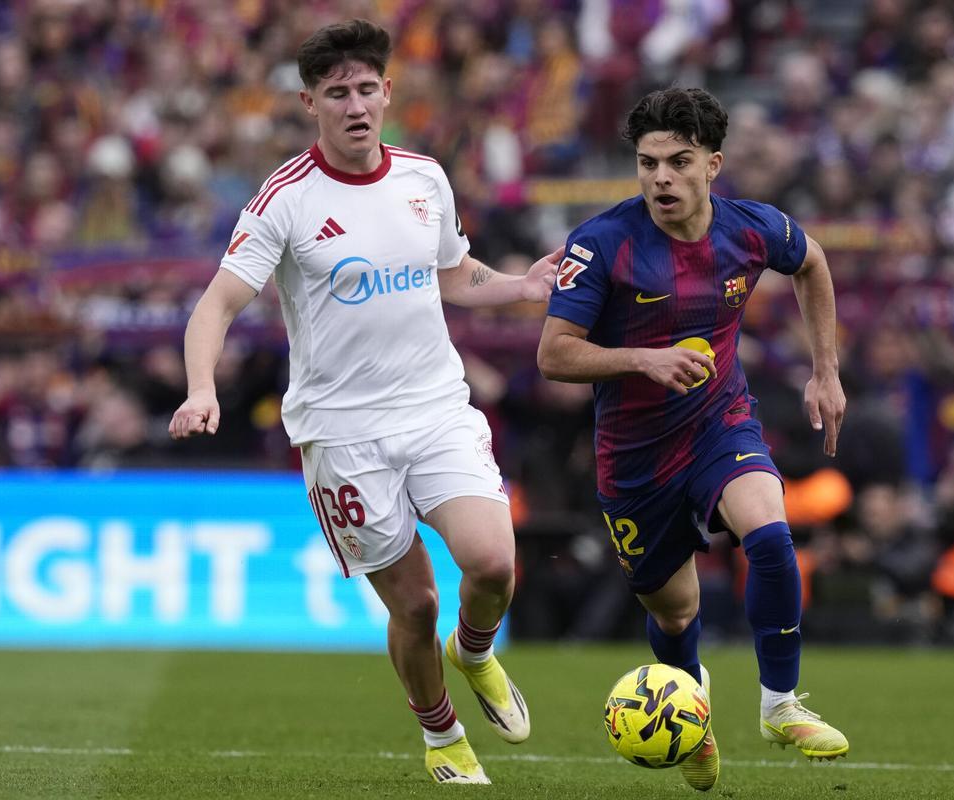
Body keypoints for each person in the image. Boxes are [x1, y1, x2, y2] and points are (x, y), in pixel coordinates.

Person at [168, 19, 559, 786]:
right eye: (337, 92)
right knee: (412, 604)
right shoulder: (284, 200)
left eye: (367, 88)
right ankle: (442, 734)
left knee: (492, 562)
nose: (355, 105)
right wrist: (202, 388)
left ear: (388, 92)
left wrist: (519, 286)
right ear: (310, 102)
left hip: (435, 407)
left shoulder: (424, 178)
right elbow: (215, 306)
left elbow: (450, 269)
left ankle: (473, 653)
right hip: (342, 433)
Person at [537, 87, 849, 791]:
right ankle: (691, 708)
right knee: (677, 612)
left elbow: (814, 263)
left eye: (678, 162)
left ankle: (780, 705)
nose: (661, 179)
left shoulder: (751, 229)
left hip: (719, 423)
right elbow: (554, 355)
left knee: (769, 535)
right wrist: (642, 359)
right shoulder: (603, 242)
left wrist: (825, 372)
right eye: (648, 163)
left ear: (714, 164)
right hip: (635, 457)